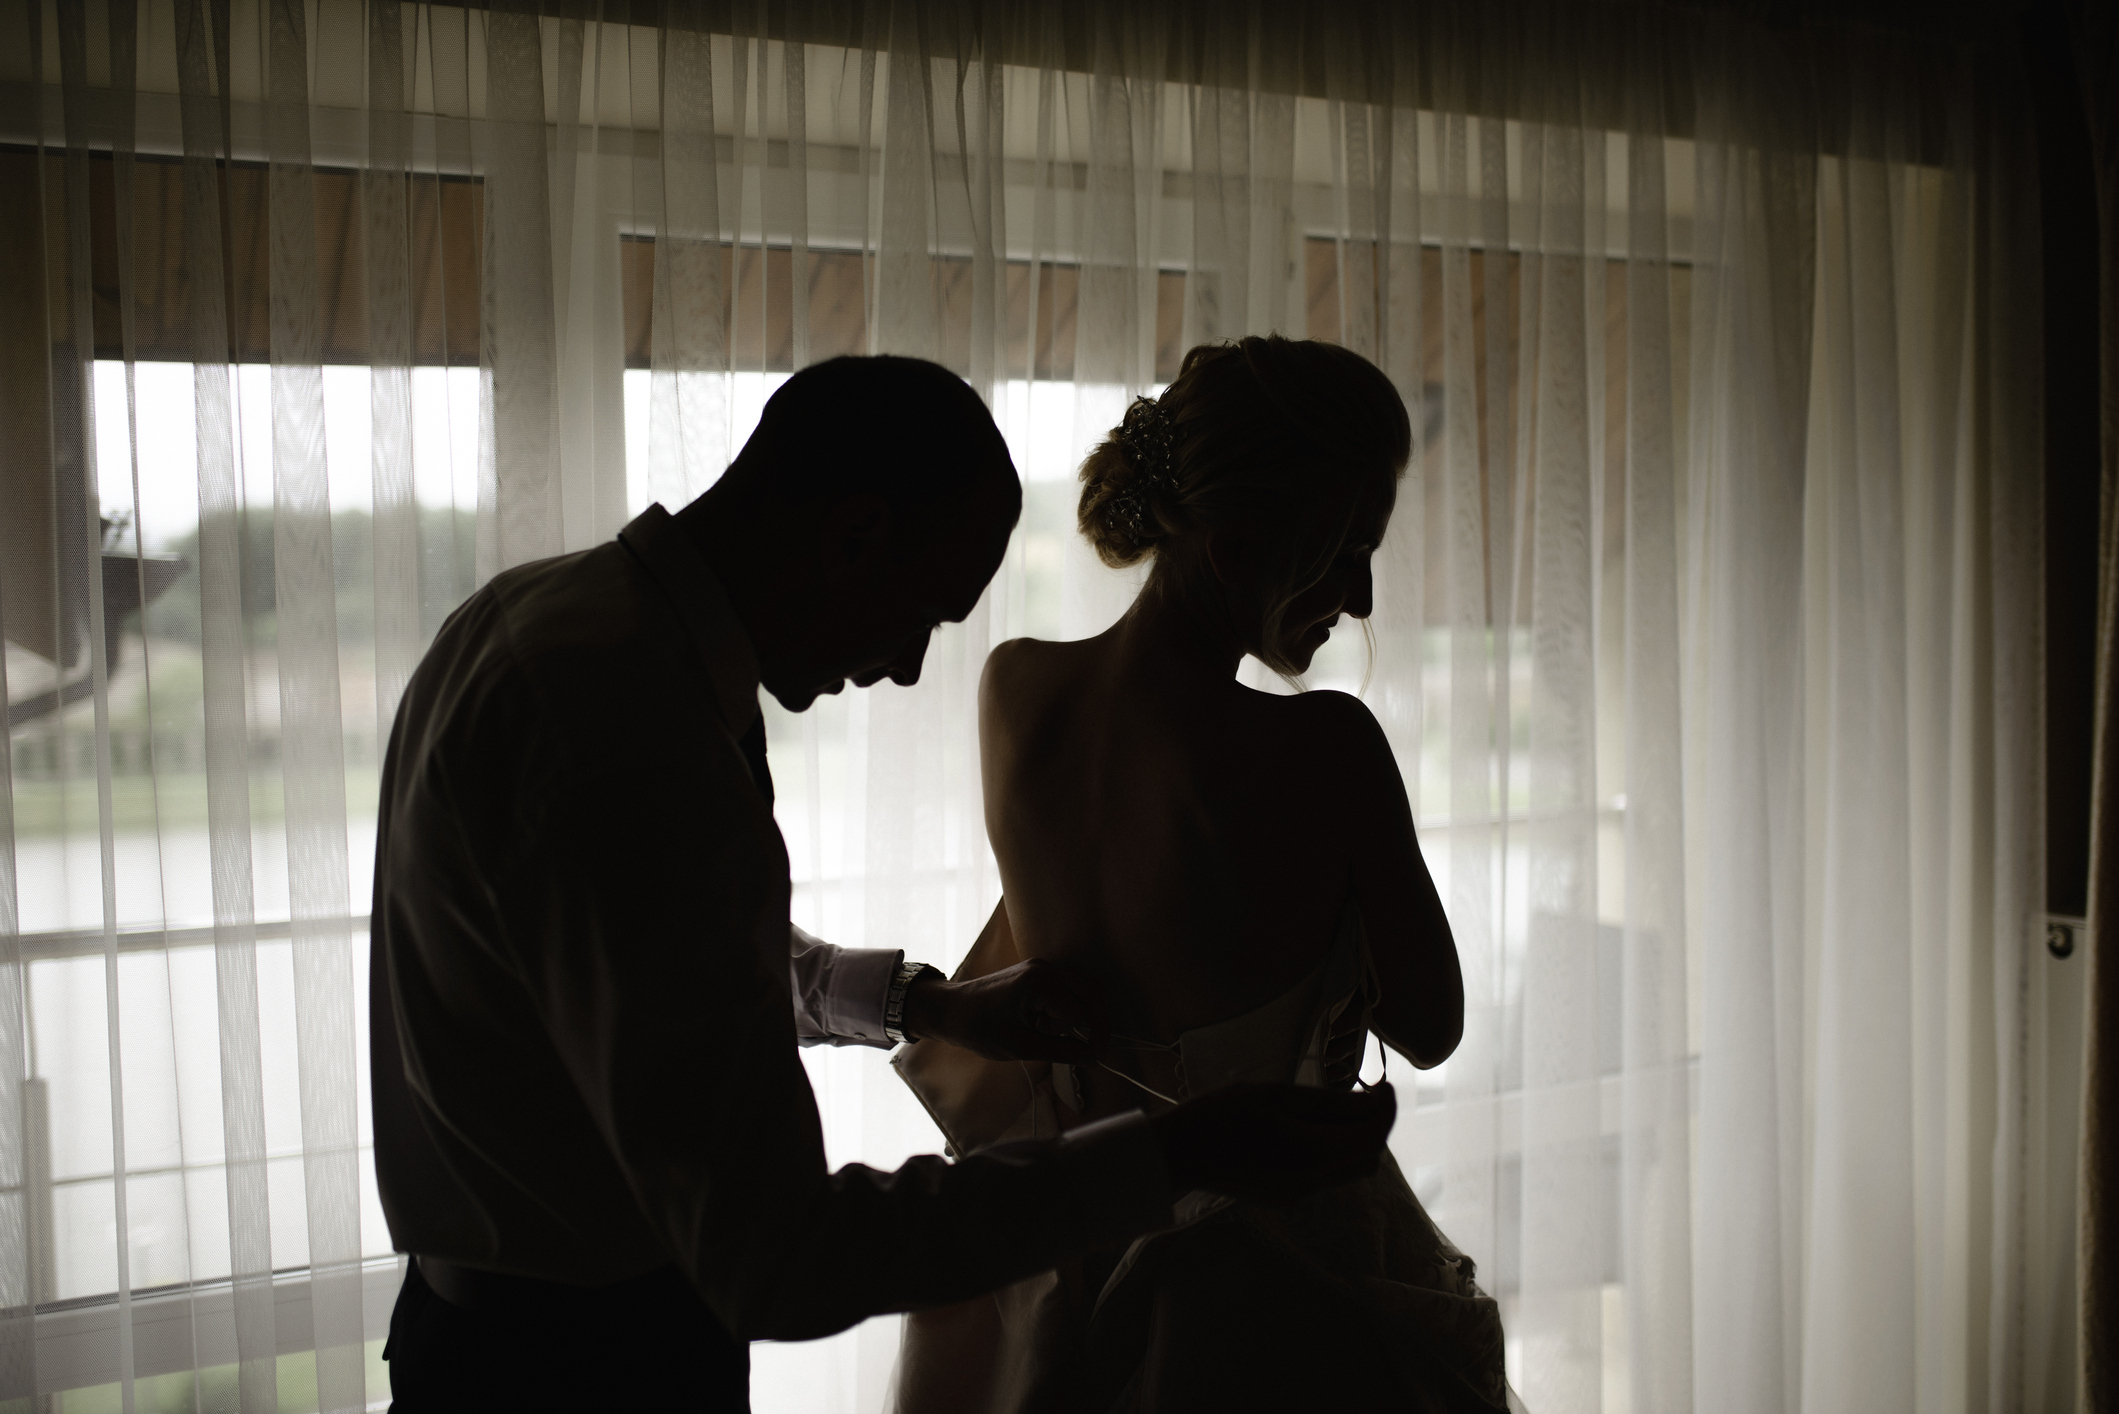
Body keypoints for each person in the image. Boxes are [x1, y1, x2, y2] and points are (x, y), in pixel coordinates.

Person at [368, 354, 1396, 1412]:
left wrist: (922, 1003)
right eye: (926, 616)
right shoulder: (634, 740)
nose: (906, 667)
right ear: (855, 537)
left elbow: (645, 966)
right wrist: (1172, 1152)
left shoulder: (536, 620)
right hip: (580, 1371)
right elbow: (783, 1255)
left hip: (482, 1333)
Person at [891, 338, 1519, 1413]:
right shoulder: (1328, 750)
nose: (1361, 594)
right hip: (1278, 1295)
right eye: (1342, 551)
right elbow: (1431, 1022)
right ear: (1234, 551)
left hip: (1075, 1254)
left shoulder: (1015, 689)